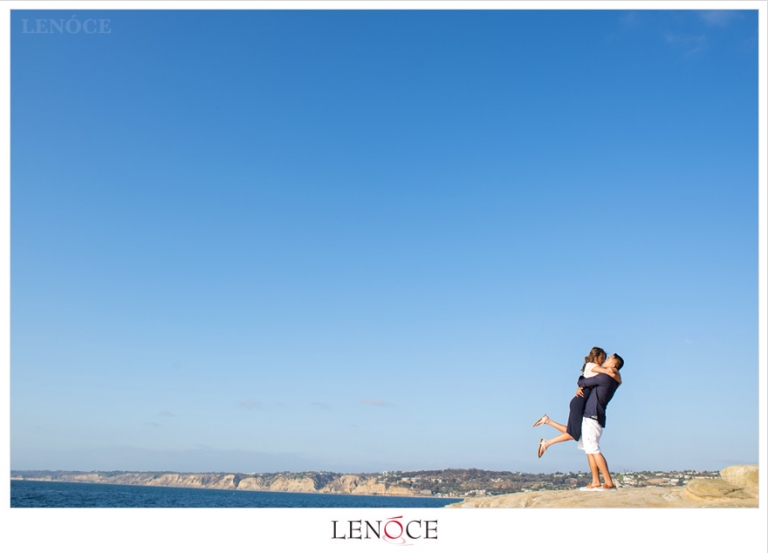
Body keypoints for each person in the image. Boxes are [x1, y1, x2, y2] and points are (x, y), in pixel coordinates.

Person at [533, 347, 621, 458]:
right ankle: (546, 442)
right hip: (580, 401)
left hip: (582, 401)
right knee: (574, 434)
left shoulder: (595, 368)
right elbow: (605, 372)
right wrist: (614, 373)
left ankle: (547, 423)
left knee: (576, 433)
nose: (603, 361)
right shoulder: (591, 365)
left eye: (605, 358)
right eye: (602, 358)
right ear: (596, 357)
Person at [576, 353, 624, 490]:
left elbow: (583, 382)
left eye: (608, 360)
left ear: (613, 365)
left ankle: (609, 482)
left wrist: (581, 379)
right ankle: (596, 481)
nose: (605, 361)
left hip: (593, 416)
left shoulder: (605, 377)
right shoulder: (613, 380)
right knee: (589, 450)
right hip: (592, 416)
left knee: (594, 450)